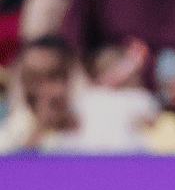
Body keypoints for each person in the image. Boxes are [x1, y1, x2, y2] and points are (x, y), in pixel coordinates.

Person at [0, 30, 161, 150]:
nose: (46, 91)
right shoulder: (14, 132)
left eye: (55, 77)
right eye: (34, 80)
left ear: (73, 75)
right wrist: (38, 132)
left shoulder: (109, 109)